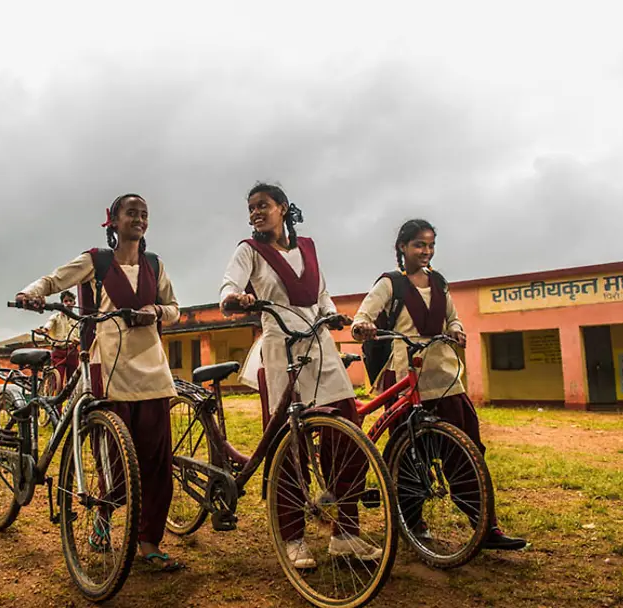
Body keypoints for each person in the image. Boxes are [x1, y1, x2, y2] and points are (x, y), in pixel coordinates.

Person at [15, 194, 184, 572]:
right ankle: (102, 519)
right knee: (112, 456)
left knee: (157, 462)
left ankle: (148, 541)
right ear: (113, 220)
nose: (138, 219)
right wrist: (32, 294)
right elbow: (55, 279)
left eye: (144, 214)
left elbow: (175, 309)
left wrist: (156, 310)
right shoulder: (97, 261)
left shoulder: (155, 265)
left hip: (153, 370)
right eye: (131, 213)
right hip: (108, 366)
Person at [220, 182, 380, 569]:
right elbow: (229, 284)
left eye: (263, 205)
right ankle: (293, 536)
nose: (256, 213)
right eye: (251, 208)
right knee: (286, 445)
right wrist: (233, 297)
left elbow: (321, 293)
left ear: (283, 208)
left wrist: (331, 313)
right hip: (281, 346)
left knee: (346, 436)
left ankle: (346, 533)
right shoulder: (249, 251)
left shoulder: (307, 246)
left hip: (320, 343)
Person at [351, 219, 527, 551]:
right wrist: (362, 326)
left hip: (444, 376)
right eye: (419, 245)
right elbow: (365, 314)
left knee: (467, 449)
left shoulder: (440, 283)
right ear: (403, 247)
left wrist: (457, 329)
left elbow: (452, 317)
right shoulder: (391, 284)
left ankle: (485, 526)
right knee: (409, 454)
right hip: (406, 375)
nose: (426, 251)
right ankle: (413, 523)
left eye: (430, 245)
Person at [34, 290, 80, 386]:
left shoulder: (77, 320)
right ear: (62, 303)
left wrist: (78, 341)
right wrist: (43, 330)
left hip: (72, 351)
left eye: (70, 301)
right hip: (58, 351)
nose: (68, 303)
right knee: (56, 378)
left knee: (73, 380)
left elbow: (80, 335)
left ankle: (71, 399)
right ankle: (54, 397)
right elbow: (48, 326)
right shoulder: (55, 317)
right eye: (65, 301)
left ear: (74, 303)